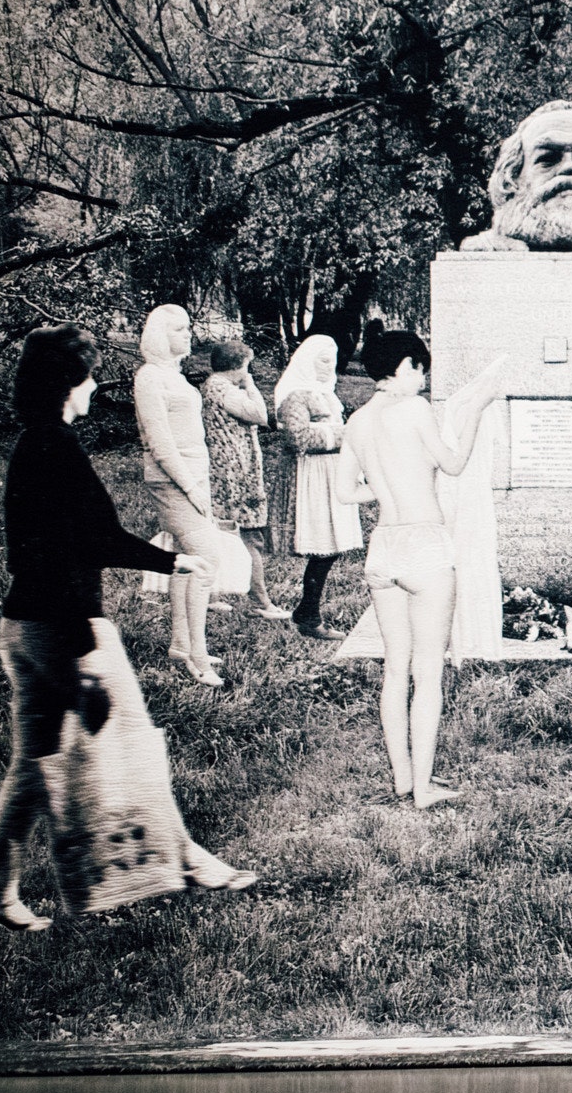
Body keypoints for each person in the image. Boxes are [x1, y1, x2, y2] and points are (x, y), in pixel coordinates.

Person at [0, 326, 251, 930]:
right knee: (139, 746)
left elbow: (59, 545)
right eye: (90, 375)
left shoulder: (32, 445)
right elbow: (88, 539)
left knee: (33, 762)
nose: (98, 385)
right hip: (66, 628)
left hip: (22, 624)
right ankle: (190, 862)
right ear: (70, 385)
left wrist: (170, 560)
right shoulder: (59, 450)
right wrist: (82, 655)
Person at [337, 331, 508, 808]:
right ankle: (425, 787)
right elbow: (452, 465)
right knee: (427, 672)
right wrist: (475, 410)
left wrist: (390, 484)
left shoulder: (357, 420)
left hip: (384, 548)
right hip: (424, 546)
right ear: (406, 365)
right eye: (421, 369)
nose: (424, 379)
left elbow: (346, 492)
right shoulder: (412, 410)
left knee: (396, 669)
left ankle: (402, 778)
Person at [132, 304, 226, 685]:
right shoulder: (149, 377)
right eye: (178, 329)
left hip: (193, 478)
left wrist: (199, 482)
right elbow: (159, 442)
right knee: (207, 559)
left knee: (188, 561)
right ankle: (197, 657)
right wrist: (189, 486)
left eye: (188, 328)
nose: (187, 334)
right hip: (172, 481)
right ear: (159, 335)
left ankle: (181, 643)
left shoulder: (173, 375)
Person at [276, 334, 363, 640]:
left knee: (331, 547)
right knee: (324, 546)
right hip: (311, 476)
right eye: (323, 360)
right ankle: (309, 615)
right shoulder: (296, 395)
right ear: (306, 361)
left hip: (331, 472)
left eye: (333, 360)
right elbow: (298, 439)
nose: (330, 366)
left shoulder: (327, 395)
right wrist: (342, 434)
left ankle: (307, 611)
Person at [199, 338, 287, 619]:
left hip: (225, 467)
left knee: (221, 530)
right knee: (249, 533)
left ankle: (210, 593)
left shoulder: (212, 386)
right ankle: (260, 602)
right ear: (238, 366)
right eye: (246, 365)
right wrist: (249, 384)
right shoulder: (224, 388)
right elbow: (260, 414)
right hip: (235, 470)